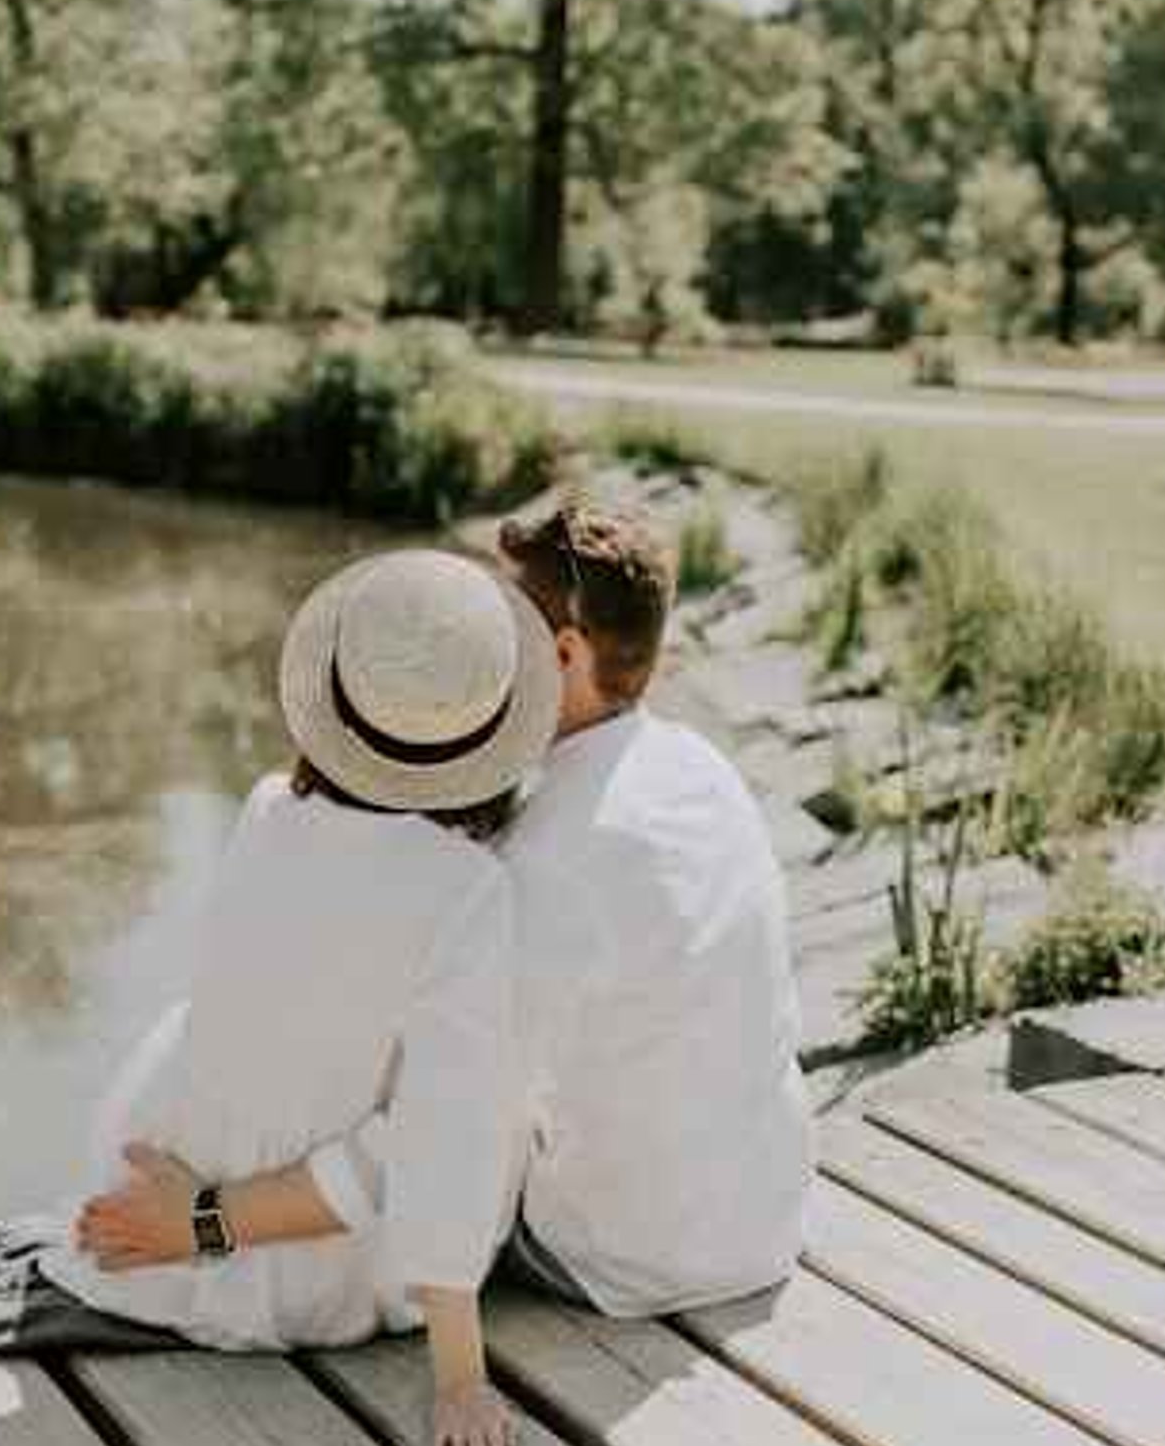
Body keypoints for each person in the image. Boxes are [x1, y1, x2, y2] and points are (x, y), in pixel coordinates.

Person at [0, 548, 561, 1446]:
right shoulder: (469, 891)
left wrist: (196, 1221)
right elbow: (445, 1143)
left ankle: (208, 1218)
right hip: (307, 1279)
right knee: (497, 1102)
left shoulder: (268, 810)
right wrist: (459, 1378)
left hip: (161, 1196)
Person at [83, 501, 813, 1317]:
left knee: (403, 1078)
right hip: (764, 1213)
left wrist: (204, 1223)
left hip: (627, 1257)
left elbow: (430, 1139)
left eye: (499, 630)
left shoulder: (544, 867)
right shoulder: (698, 769)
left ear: (564, 654)